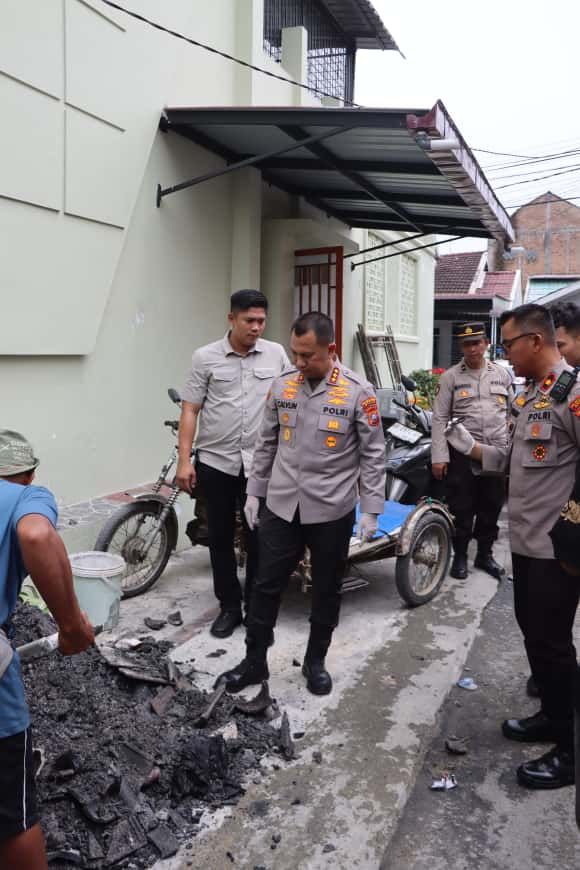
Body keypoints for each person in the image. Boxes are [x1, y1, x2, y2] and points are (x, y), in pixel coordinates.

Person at [445, 304, 580, 789]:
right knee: (534, 636)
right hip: (522, 543)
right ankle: (551, 716)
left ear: (536, 342)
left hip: (556, 550)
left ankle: (570, 751)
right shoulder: (533, 398)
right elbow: (514, 461)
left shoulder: (573, 396)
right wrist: (472, 449)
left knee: (554, 645)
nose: (505, 354)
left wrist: (574, 529)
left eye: (509, 344)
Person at [217, 312, 386, 696]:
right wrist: (255, 493)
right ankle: (254, 662)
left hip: (331, 509)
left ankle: (315, 661)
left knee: (327, 588)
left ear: (331, 349)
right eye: (294, 353)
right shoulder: (283, 387)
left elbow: (373, 455)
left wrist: (372, 508)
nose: (299, 362)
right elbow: (267, 444)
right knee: (264, 586)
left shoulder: (359, 391)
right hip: (281, 505)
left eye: (307, 355)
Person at [0, 430, 95, 869]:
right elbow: (37, 536)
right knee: (12, 812)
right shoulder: (25, 497)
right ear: (29, 472)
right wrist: (72, 625)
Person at [176, 290, 289, 638]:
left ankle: (256, 604)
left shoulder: (276, 354)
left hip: (261, 465)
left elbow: (292, 398)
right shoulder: (205, 357)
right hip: (216, 462)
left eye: (261, 321)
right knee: (220, 537)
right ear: (231, 319)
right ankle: (228, 606)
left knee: (259, 537)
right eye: (249, 321)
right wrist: (184, 461)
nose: (256, 327)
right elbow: (190, 409)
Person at [431, 322, 512, 580]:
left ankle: (484, 555)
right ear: (461, 346)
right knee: (462, 509)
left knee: (491, 507)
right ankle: (460, 557)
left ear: (486, 343)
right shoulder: (451, 378)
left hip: (496, 454)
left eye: (477, 342)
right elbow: (440, 418)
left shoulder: (502, 375)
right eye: (467, 343)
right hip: (462, 456)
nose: (473, 348)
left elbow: (513, 413)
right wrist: (439, 456)